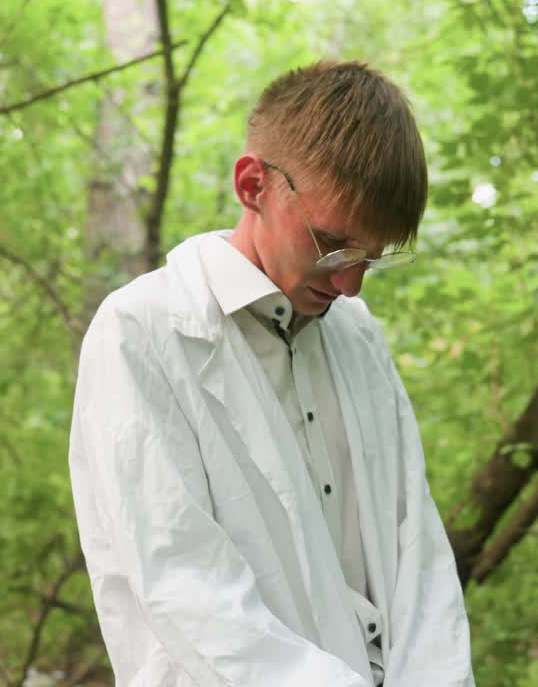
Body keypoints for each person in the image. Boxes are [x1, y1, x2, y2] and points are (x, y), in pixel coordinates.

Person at [69, 60, 474, 687]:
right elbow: (182, 585)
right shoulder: (142, 331)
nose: (350, 282)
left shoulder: (358, 335)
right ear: (253, 183)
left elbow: (414, 548)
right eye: (333, 244)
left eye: (371, 257)